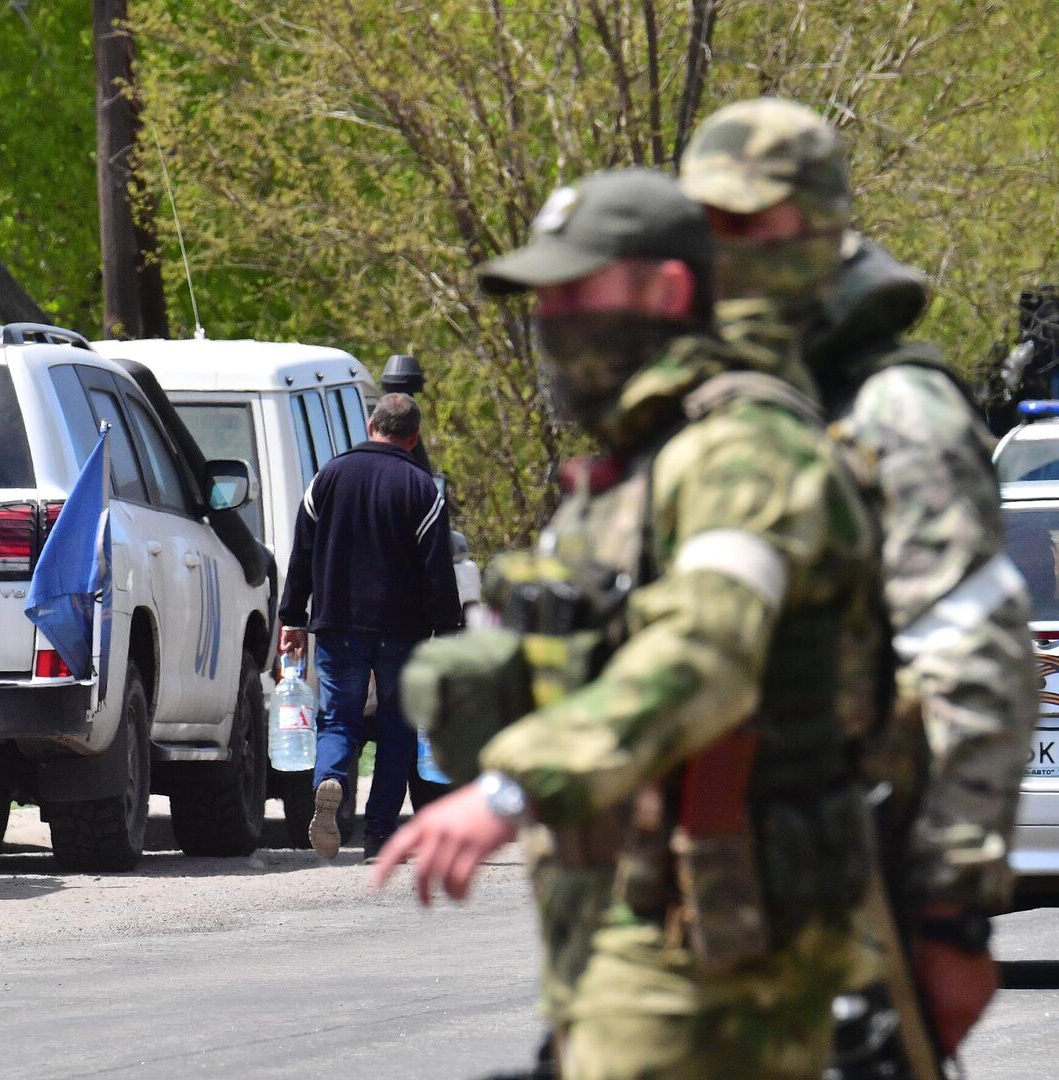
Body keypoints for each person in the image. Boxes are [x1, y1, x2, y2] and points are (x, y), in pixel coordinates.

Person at [374, 168, 886, 1079]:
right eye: (543, 297)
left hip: (720, 945)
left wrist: (510, 792)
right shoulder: (626, 472)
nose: (552, 319)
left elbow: (710, 649)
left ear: (670, 290)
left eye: (577, 290)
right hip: (619, 929)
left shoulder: (743, 453)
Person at [681, 97, 1040, 1069]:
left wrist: (954, 917)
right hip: (702, 896)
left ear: (824, 228)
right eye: (713, 227)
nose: (731, 253)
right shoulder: (716, 405)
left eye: (756, 225)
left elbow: (973, 652)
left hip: (845, 893)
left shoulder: (893, 410)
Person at [279, 392, 463, 861]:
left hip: (338, 623)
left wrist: (291, 619)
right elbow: (437, 570)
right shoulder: (423, 489)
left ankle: (331, 780)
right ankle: (380, 833)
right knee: (399, 726)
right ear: (414, 437)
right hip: (403, 629)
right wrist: (448, 630)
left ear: (370, 424)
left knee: (338, 718)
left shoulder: (328, 478)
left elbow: (301, 553)